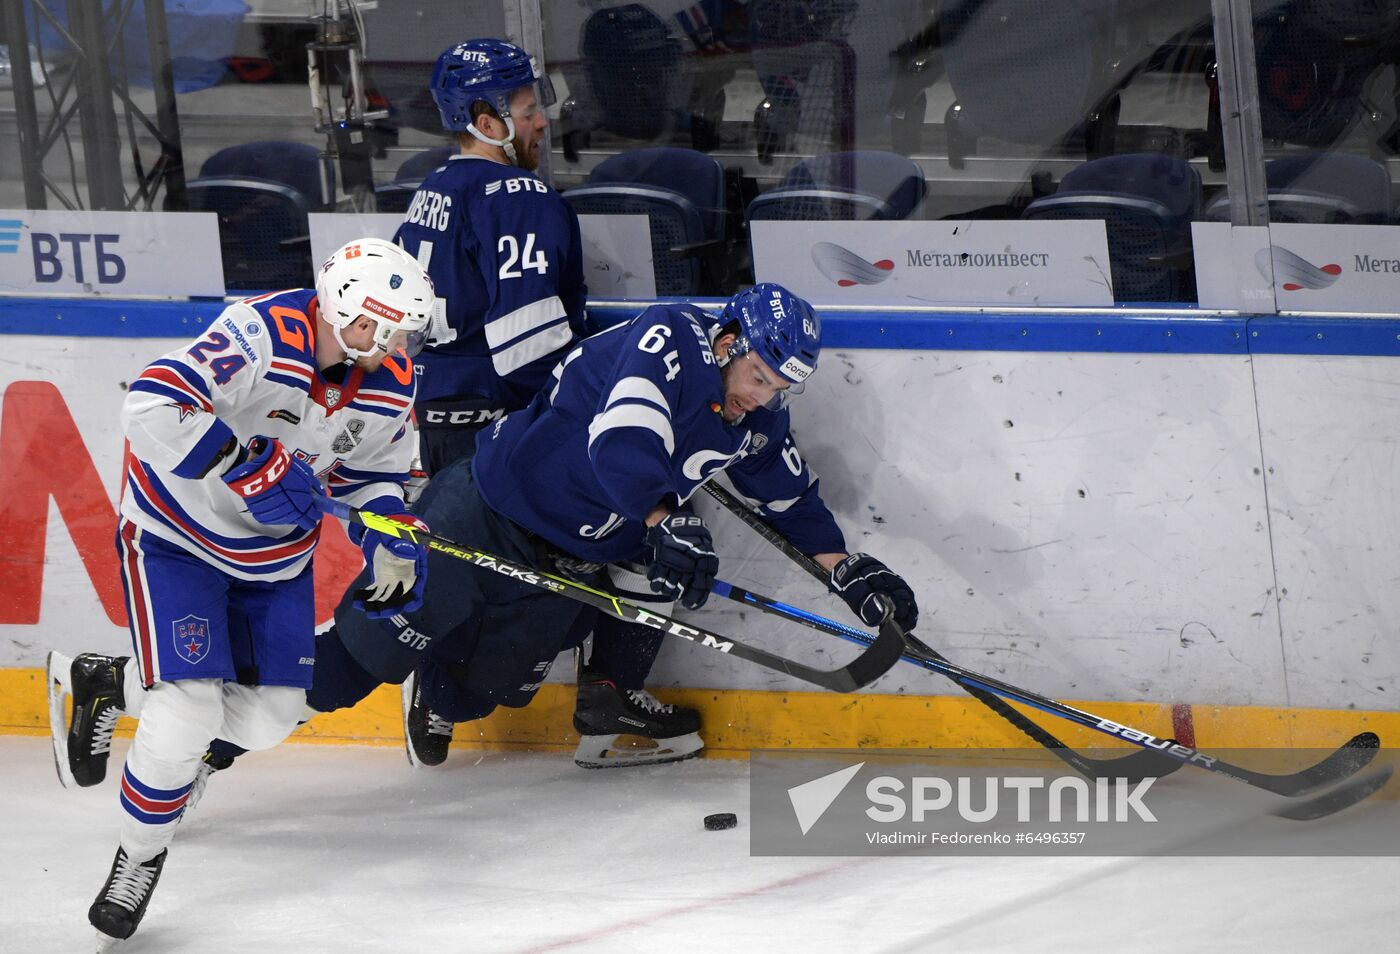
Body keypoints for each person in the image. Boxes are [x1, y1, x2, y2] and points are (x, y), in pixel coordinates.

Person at [298, 283, 920, 769]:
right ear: (728, 340)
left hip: (563, 561)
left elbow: (790, 500)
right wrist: (662, 519)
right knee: (361, 657)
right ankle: (218, 741)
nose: (762, 396)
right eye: (759, 376)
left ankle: (434, 695)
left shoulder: (757, 419)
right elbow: (622, 439)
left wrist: (848, 572)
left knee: (479, 695)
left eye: (779, 387)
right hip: (483, 510)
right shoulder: (670, 334)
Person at [45, 238, 435, 949]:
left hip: (275, 565)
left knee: (267, 722)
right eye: (395, 327)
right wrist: (245, 463)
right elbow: (153, 404)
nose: (403, 343)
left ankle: (106, 683)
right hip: (177, 541)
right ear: (356, 314)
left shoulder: (391, 377)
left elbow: (374, 476)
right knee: (186, 711)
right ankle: (139, 855)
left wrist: (392, 536)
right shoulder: (262, 332)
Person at [387, 37, 702, 769]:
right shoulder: (520, 198)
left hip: (443, 419)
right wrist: (582, 423)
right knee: (631, 530)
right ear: (484, 117)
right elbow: (531, 341)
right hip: (512, 419)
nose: (541, 124)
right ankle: (605, 697)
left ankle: (441, 694)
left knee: (474, 573)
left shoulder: (430, 193)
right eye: (527, 111)